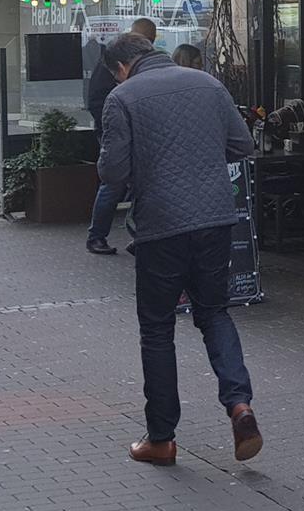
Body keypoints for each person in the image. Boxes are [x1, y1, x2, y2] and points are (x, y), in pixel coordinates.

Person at [96, 31, 262, 466]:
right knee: (215, 313)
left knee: (157, 328)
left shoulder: (122, 98)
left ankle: (162, 438)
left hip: (161, 226)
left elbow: (112, 173)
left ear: (121, 68)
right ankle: (240, 405)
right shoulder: (208, 83)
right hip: (216, 219)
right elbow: (243, 145)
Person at [85, 17, 157, 255]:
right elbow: (97, 101)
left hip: (125, 129)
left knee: (129, 183)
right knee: (113, 185)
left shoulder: (119, 61)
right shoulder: (118, 62)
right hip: (117, 130)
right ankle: (97, 236)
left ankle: (136, 235)